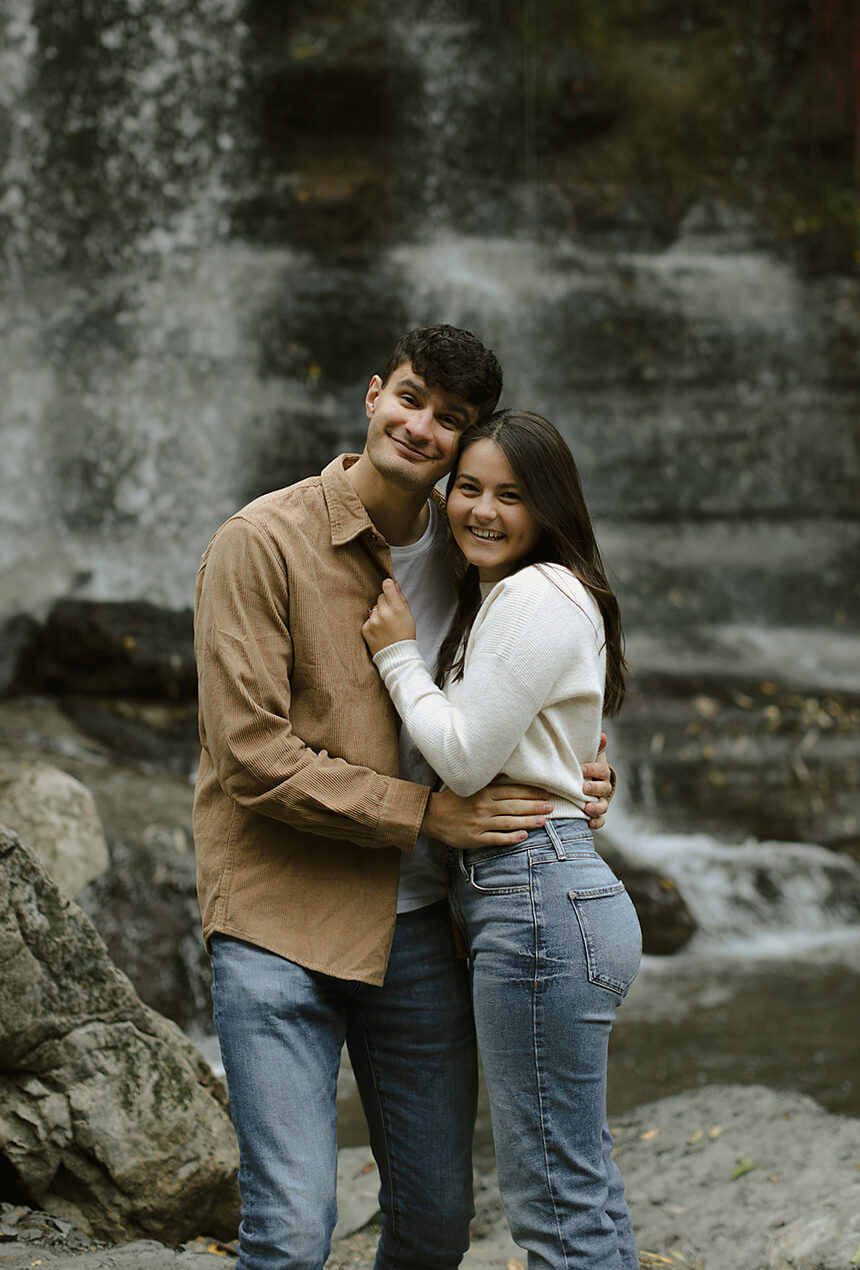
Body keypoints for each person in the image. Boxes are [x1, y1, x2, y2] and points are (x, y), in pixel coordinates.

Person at [193, 327, 616, 1270]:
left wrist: (578, 766)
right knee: (294, 1236)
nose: (422, 428)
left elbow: (530, 686)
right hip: (279, 921)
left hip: (420, 928)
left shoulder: (480, 555)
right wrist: (424, 813)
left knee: (431, 1231)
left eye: (450, 421)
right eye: (411, 399)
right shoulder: (259, 544)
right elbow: (251, 755)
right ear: (374, 393)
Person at [362, 408, 640, 1270]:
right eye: (469, 488)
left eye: (510, 496)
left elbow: (465, 758)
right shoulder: (532, 595)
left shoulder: (530, 592)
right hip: (546, 893)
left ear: (548, 506)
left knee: (556, 1207)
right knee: (576, 1188)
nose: (482, 510)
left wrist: (398, 655)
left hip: (533, 899)